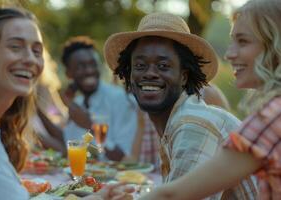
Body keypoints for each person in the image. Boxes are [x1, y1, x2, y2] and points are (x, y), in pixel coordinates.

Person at [0, 7, 134, 200]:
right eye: (15, 47)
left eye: (37, 51)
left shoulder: (118, 99)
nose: (29, 59)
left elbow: (123, 156)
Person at [104, 12, 257, 199]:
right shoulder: (176, 122)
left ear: (184, 76)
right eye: (140, 65)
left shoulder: (193, 124)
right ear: (129, 74)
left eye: (163, 66)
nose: (150, 73)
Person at [137, 0, 281, 199]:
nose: (229, 54)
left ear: (275, 45)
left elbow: (172, 196)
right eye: (140, 65)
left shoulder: (271, 118)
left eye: (243, 41)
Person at [60, 36, 138, 161]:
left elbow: (124, 158)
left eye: (93, 64)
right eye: (80, 67)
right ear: (68, 74)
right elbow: (68, 144)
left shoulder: (119, 99)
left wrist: (90, 125)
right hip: (86, 177)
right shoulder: (78, 103)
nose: (89, 71)